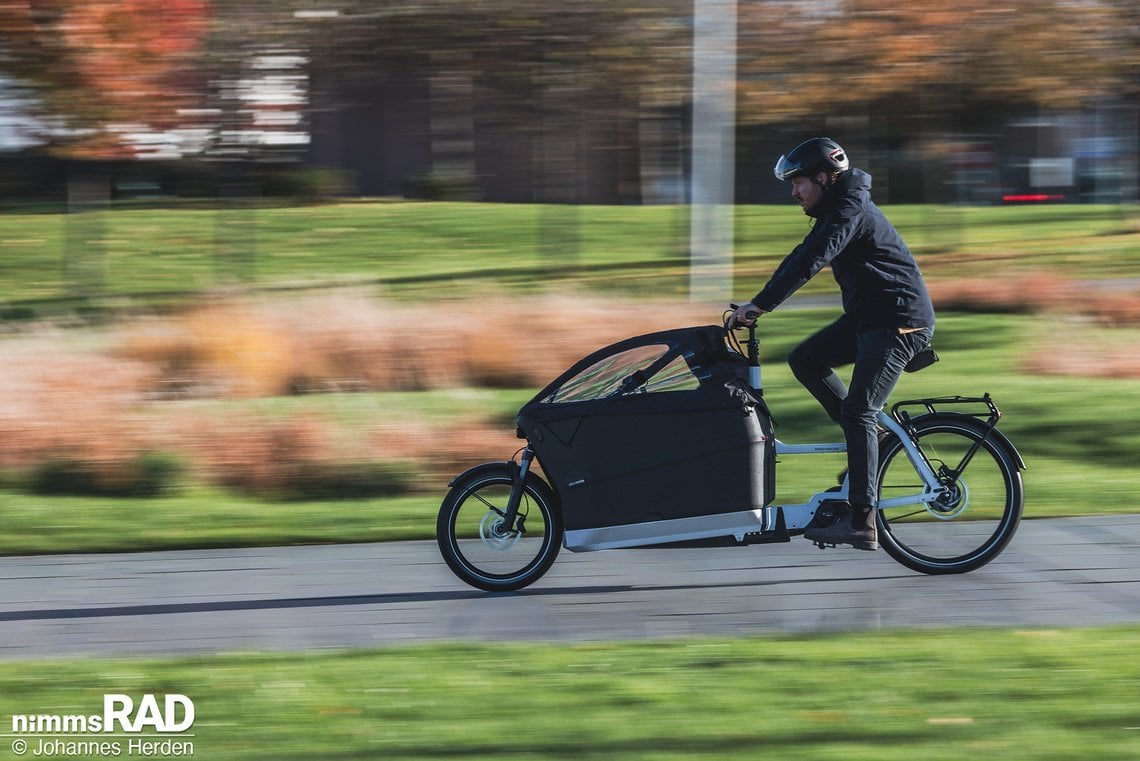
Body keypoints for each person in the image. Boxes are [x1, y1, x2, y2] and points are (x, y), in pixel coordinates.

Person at [730, 137, 935, 551]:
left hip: (899, 322)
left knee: (860, 409)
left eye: (798, 182)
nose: (793, 192)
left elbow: (814, 258)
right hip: (870, 318)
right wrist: (757, 300)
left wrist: (762, 305)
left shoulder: (849, 209)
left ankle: (862, 521)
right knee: (806, 358)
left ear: (823, 177)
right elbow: (801, 253)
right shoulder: (838, 207)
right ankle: (870, 444)